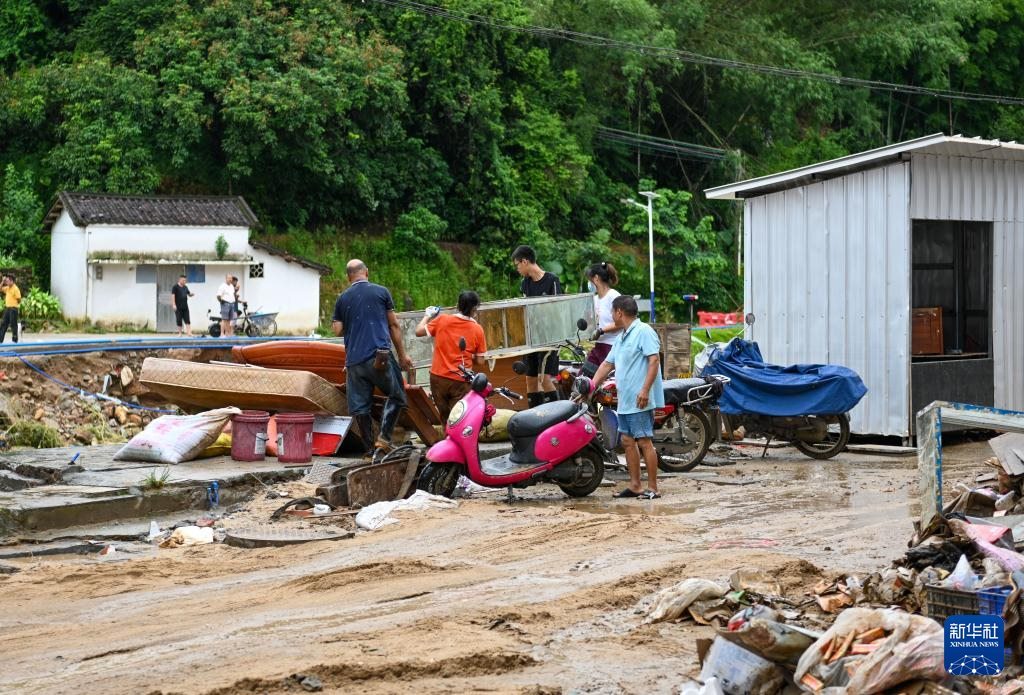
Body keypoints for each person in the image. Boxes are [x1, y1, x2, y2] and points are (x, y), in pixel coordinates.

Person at [332, 259, 414, 457]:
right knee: (397, 396)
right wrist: (402, 356)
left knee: (360, 408)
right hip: (379, 357)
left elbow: (337, 330)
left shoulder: (342, 298)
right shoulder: (381, 292)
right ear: (366, 272)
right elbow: (393, 325)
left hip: (354, 363)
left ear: (348, 277)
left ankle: (370, 451)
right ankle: (383, 440)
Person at [591, 295, 664, 500]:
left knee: (644, 441)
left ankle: (653, 488)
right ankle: (635, 485)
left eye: (612, 312)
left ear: (619, 312)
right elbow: (607, 364)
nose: (611, 316)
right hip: (625, 399)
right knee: (627, 440)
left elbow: (654, 361)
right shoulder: (622, 337)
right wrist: (590, 386)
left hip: (640, 398)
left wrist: (645, 390)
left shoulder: (644, 331)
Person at [415, 291, 487, 422]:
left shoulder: (442, 320)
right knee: (458, 420)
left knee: (445, 418)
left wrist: (427, 315)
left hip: (437, 378)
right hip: (460, 381)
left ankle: (446, 434)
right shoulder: (477, 329)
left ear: (457, 305)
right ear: (474, 309)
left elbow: (418, 331)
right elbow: (480, 361)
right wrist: (468, 355)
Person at [512, 245, 561, 407]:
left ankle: (558, 414)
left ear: (525, 261)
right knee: (530, 379)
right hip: (531, 337)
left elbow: (557, 307)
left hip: (549, 337)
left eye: (517, 265)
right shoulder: (525, 283)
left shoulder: (552, 280)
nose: (518, 269)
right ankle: (536, 415)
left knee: (544, 378)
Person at [583, 262, 621, 376]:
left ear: (596, 278)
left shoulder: (613, 296)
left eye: (590, 280)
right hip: (598, 346)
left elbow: (621, 322)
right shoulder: (594, 299)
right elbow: (592, 323)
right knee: (583, 379)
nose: (589, 283)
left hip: (612, 347)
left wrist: (601, 331)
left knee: (606, 382)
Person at [0, 274, 21, 344]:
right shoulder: (7, 288)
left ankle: (15, 340)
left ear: (12, 281)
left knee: (13, 324)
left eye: (8, 281)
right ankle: (0, 339)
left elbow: (19, 299)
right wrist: (2, 281)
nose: (6, 282)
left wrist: (14, 304)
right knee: (3, 323)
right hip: (7, 308)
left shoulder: (16, 289)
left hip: (13, 309)